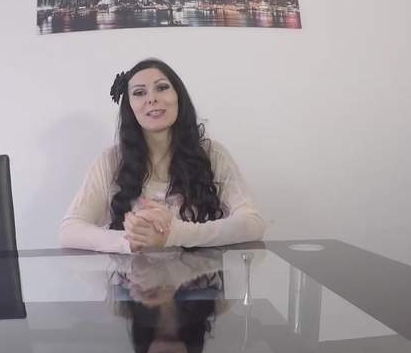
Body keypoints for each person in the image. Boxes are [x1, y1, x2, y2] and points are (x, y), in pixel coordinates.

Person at [59, 58, 265, 253]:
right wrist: (131, 239)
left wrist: (176, 234)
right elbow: (70, 231)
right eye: (139, 92)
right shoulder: (111, 161)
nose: (152, 99)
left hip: (201, 277)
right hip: (131, 278)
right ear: (130, 107)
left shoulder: (213, 154)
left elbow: (253, 224)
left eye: (162, 87)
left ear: (178, 96)